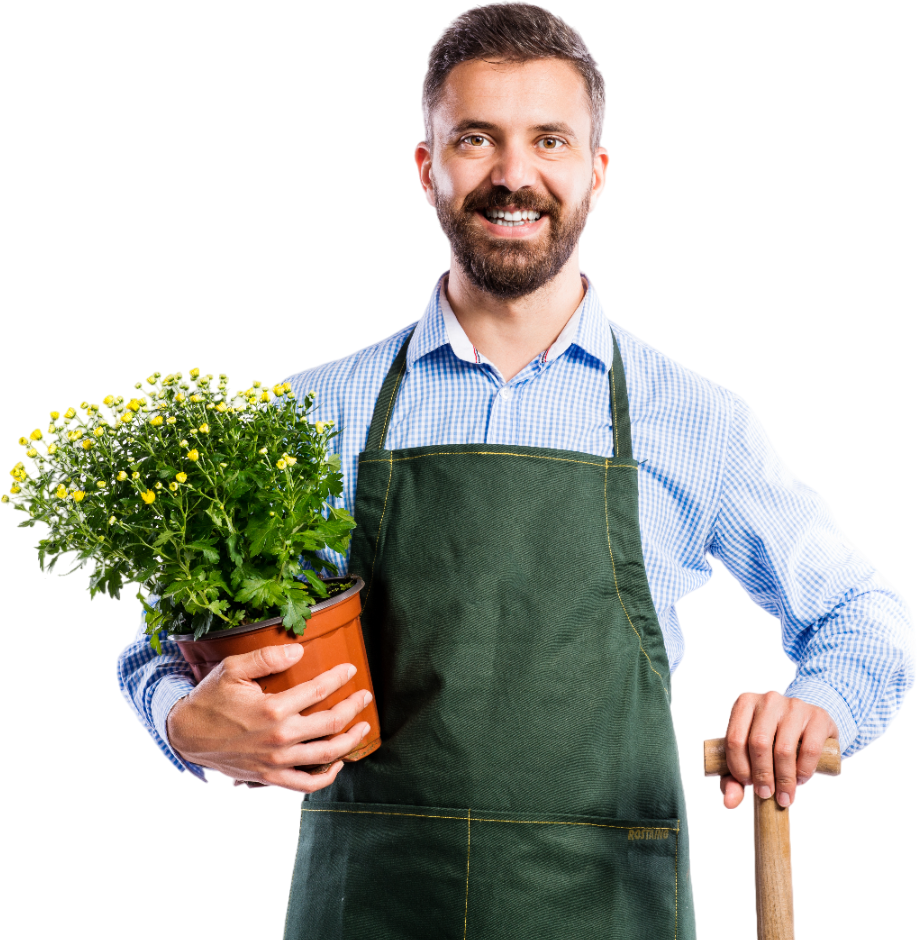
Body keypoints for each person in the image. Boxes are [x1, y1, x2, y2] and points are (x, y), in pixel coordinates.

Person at [116, 4, 916, 937]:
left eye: (549, 141)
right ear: (428, 169)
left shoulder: (692, 417)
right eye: (476, 139)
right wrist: (184, 723)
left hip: (609, 908)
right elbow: (159, 646)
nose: (513, 176)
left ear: (596, 173)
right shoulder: (309, 413)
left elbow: (866, 618)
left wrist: (810, 711)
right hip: (369, 906)